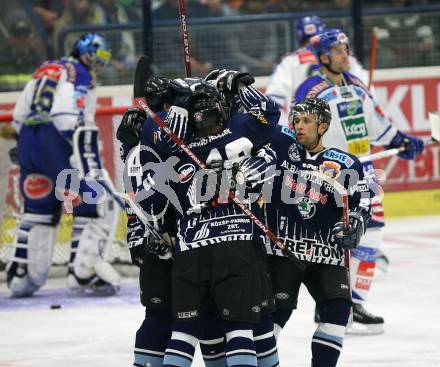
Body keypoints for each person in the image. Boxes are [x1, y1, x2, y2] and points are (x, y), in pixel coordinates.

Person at [134, 72, 280, 366]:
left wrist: (179, 104)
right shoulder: (241, 131)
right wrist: (240, 86)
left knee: (185, 332)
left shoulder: (176, 153)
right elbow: (270, 114)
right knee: (241, 329)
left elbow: (154, 191)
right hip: (238, 246)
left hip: (190, 250)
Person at [294, 28, 425, 334]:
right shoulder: (311, 90)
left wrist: (403, 141)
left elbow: (379, 125)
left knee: (372, 233)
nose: (345, 55)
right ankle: (333, 306)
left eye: (346, 49)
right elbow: (299, 131)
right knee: (332, 242)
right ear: (324, 56)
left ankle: (353, 304)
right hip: (328, 173)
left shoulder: (356, 86)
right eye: (338, 50)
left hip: (362, 174)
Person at [6, 33, 120, 297]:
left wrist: (26, 142)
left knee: (38, 211)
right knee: (97, 200)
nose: (98, 65)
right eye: (97, 58)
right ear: (86, 54)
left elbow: (19, 115)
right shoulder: (81, 74)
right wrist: (75, 146)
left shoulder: (45, 67)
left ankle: (23, 276)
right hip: (56, 140)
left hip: (27, 142)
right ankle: (84, 272)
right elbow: (67, 115)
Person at [264, 97, 371, 367]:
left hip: (326, 252)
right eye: (296, 120)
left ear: (323, 126)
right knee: (276, 316)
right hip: (283, 250)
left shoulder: (345, 163)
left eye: (306, 121)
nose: (299, 126)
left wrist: (356, 222)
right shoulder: (279, 145)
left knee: (337, 311)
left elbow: (363, 203)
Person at [265, 15, 368, 125]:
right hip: (347, 121)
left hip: (307, 127)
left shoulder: (290, 61)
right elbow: (366, 91)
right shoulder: (346, 56)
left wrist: (288, 131)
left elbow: (273, 100)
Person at [0, 10, 45, 92]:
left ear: (30, 39)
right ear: (10, 39)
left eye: (25, 37)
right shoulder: (1, 61)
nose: (21, 41)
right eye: (18, 36)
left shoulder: (38, 62)